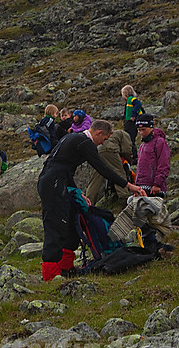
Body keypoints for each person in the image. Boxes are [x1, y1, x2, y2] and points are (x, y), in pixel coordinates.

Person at [39, 119, 146, 281]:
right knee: (56, 225)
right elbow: (102, 168)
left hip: (54, 181)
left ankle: (66, 267)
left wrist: (78, 192)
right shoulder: (84, 142)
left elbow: (63, 168)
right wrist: (129, 185)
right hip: (54, 184)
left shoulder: (74, 138)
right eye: (104, 139)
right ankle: (50, 275)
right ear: (98, 133)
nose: (103, 143)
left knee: (70, 222)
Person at [84, 128, 134, 206]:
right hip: (110, 149)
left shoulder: (112, 134)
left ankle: (88, 202)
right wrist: (129, 161)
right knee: (118, 172)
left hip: (98, 150)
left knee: (96, 178)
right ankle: (124, 198)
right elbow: (126, 150)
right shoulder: (125, 134)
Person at [135, 114, 171, 198]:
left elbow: (164, 164)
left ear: (151, 127)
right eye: (139, 130)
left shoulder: (159, 142)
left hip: (154, 188)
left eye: (143, 129)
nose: (141, 133)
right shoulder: (142, 145)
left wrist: (157, 183)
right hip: (141, 187)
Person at [122, 85, 146, 163]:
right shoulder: (129, 100)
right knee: (129, 139)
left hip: (131, 123)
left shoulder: (131, 99)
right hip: (129, 122)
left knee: (129, 139)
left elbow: (138, 104)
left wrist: (133, 114)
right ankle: (133, 156)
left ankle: (134, 157)